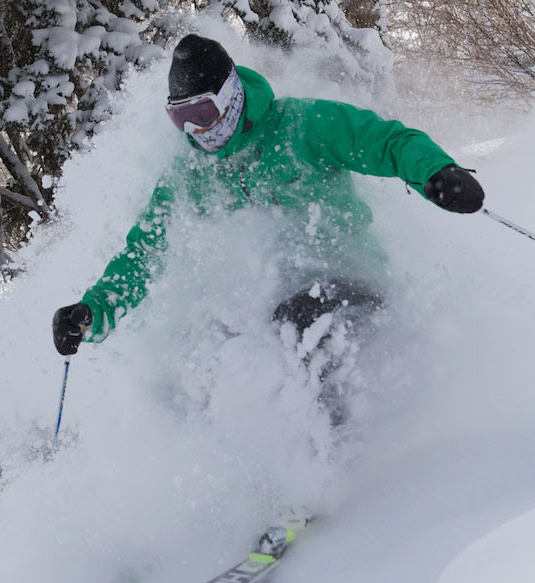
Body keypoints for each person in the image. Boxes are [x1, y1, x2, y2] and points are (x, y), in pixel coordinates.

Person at [51, 34, 484, 413]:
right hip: (270, 303)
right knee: (195, 359)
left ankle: (323, 469)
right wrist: (93, 312)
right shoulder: (192, 173)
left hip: (349, 285)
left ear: (231, 95)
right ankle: (232, 476)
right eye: (180, 119)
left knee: (295, 326)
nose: (196, 132)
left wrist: (434, 172)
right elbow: (145, 251)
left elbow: (386, 141)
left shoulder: (303, 125)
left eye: (201, 113)